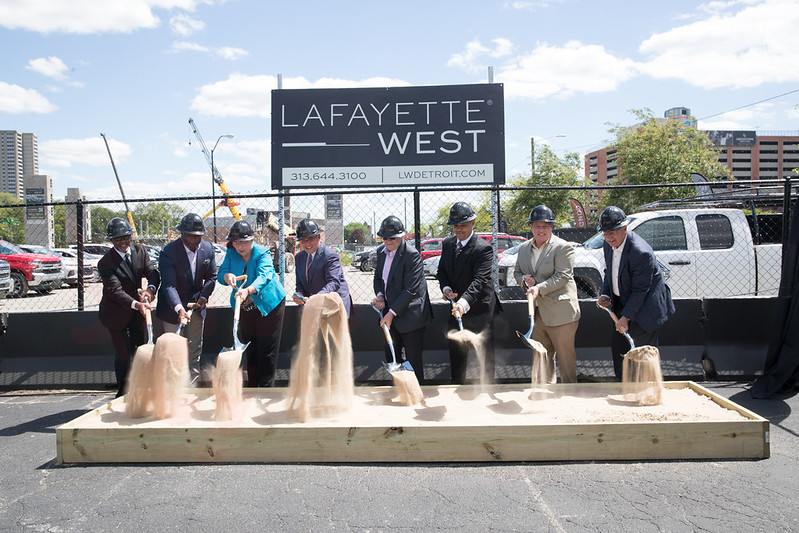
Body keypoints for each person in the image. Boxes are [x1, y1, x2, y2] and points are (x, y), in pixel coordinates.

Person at [596, 206, 675, 380]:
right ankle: (623, 387)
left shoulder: (640, 252)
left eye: (613, 232)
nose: (609, 237)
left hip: (647, 308)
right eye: (605, 232)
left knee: (641, 355)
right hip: (624, 302)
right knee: (618, 346)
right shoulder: (608, 245)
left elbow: (641, 290)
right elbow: (610, 272)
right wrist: (606, 294)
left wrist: (626, 317)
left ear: (625, 229)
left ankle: (646, 392)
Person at [513, 205, 581, 383]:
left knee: (566, 360)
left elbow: (563, 276)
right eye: (537, 226)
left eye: (545, 226)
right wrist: (523, 280)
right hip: (537, 313)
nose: (541, 230)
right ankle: (546, 394)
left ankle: (569, 395)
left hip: (561, 311)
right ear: (531, 227)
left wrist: (539, 288)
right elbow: (517, 272)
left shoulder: (563, 248)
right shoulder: (522, 249)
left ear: (552, 227)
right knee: (543, 356)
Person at [436, 201, 502, 384]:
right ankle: (458, 384)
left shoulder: (483, 248)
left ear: (473, 223)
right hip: (456, 308)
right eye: (455, 225)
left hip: (481, 309)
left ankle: (487, 387)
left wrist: (463, 304)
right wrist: (446, 288)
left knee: (484, 352)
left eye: (463, 225)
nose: (458, 229)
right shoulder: (448, 244)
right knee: (457, 350)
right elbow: (442, 271)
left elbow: (479, 281)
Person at [217, 220, 286, 387]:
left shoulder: (262, 253)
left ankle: (265, 389)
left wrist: (248, 290)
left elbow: (265, 276)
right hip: (244, 307)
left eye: (244, 242)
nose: (240, 247)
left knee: (266, 350)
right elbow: (222, 273)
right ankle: (253, 387)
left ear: (252, 240)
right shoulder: (231, 253)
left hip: (269, 305)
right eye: (236, 242)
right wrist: (228, 277)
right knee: (250, 348)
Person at [97, 217, 160, 397]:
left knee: (140, 350)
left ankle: (141, 391)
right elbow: (114, 291)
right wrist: (136, 304)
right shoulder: (106, 262)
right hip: (116, 314)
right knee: (124, 354)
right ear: (111, 241)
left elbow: (152, 273)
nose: (123, 242)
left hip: (137, 314)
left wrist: (150, 289)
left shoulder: (140, 251)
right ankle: (123, 394)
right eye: (117, 239)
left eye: (125, 237)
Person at [154, 213, 217, 385]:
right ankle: (174, 390)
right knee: (174, 351)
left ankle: (192, 387)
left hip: (196, 307)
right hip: (172, 309)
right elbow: (169, 285)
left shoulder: (208, 249)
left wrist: (204, 296)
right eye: (190, 235)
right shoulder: (168, 252)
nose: (194, 240)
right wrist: (179, 309)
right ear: (181, 234)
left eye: (198, 236)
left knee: (194, 349)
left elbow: (212, 277)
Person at [372, 216, 433, 384]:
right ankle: (400, 388)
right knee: (392, 353)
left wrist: (391, 314)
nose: (388, 241)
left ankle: (416, 391)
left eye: (392, 237)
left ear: (402, 236)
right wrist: (380, 296)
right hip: (390, 311)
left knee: (413, 357)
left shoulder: (411, 255)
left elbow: (411, 289)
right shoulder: (380, 252)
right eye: (385, 237)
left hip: (411, 314)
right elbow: (378, 278)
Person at [292, 218, 352, 317]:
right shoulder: (299, 257)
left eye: (310, 239)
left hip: (334, 306)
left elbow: (333, 282)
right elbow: (300, 282)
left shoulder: (330, 256)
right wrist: (299, 294)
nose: (307, 244)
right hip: (314, 307)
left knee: (333, 333)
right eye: (303, 240)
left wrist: (318, 297)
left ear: (319, 237)